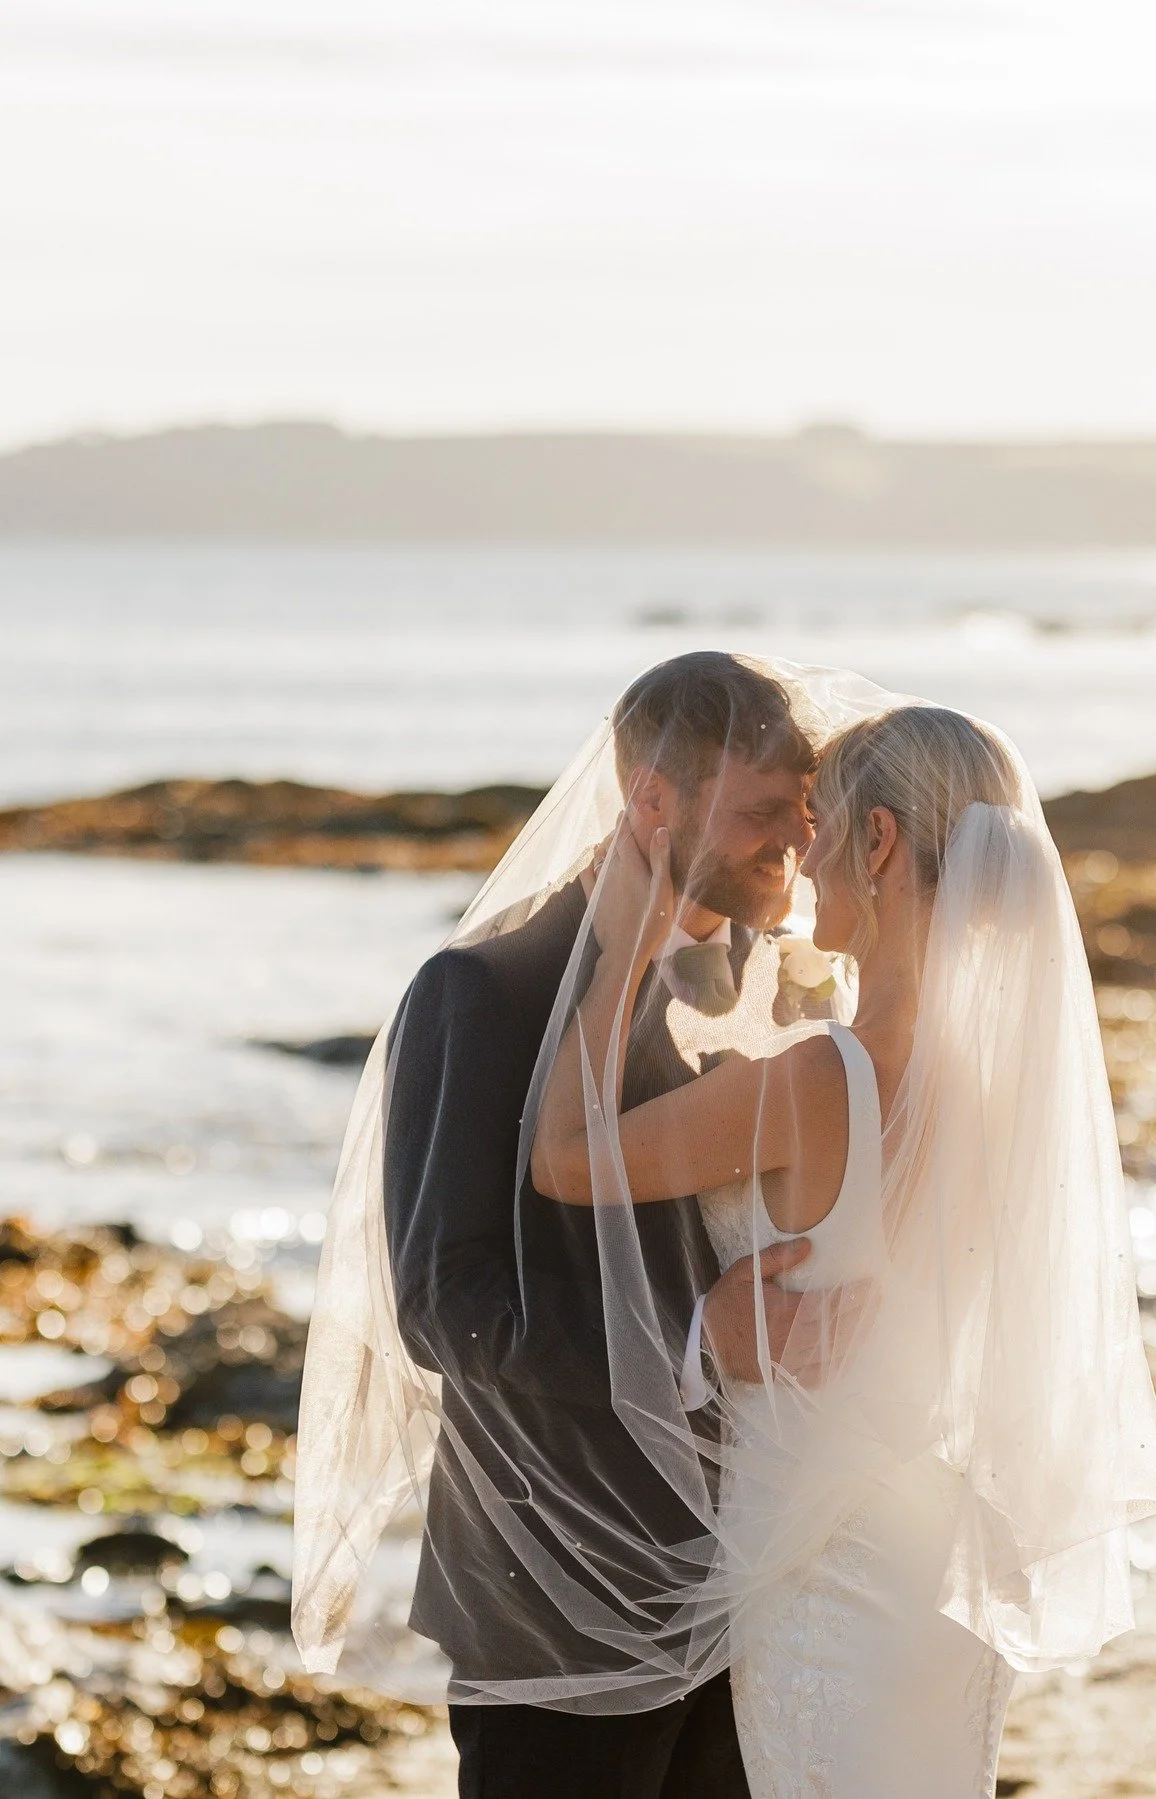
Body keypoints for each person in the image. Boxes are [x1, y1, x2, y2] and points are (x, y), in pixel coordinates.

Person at [532, 703, 1156, 1797]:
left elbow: (561, 1155)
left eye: (816, 825)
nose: (798, 856)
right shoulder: (996, 1082)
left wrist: (629, 937)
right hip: (938, 1551)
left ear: (876, 841)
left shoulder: (818, 1083)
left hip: (824, 1570)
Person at [295, 652, 862, 1798]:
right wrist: (696, 1343)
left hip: (751, 1568)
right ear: (651, 800)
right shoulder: (481, 991)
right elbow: (440, 1300)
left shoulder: (776, 983)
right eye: (758, 814)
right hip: (554, 1586)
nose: (790, 846)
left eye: (800, 818)